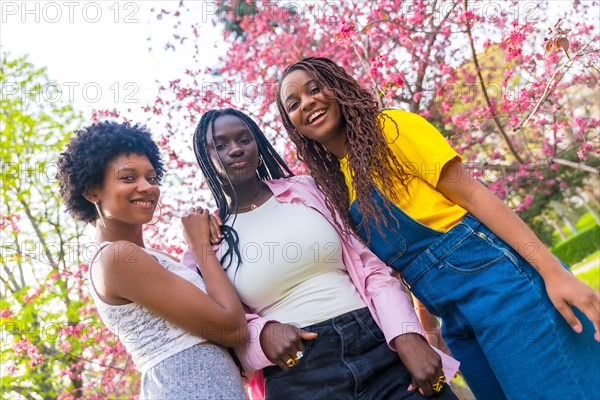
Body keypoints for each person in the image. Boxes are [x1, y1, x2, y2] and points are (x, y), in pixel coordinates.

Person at [275, 56, 600, 399]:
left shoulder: (391, 129)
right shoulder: (340, 185)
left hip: (502, 288)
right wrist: (429, 333)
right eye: (294, 104)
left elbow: (475, 196)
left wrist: (553, 272)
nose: (308, 103)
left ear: (338, 88)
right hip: (456, 322)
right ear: (293, 125)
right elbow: (408, 262)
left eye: (315, 89)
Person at [182, 108, 460, 398]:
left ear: (258, 146)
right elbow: (222, 328)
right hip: (298, 372)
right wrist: (262, 336)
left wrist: (407, 336)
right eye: (220, 145)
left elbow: (371, 269)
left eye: (243, 139)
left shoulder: (307, 190)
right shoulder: (208, 239)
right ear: (205, 157)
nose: (236, 149)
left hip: (378, 341)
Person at [56, 121, 248, 399]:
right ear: (91, 191)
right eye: (128, 178)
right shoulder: (117, 257)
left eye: (152, 177)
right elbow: (232, 328)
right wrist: (199, 247)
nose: (147, 187)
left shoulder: (151, 258)